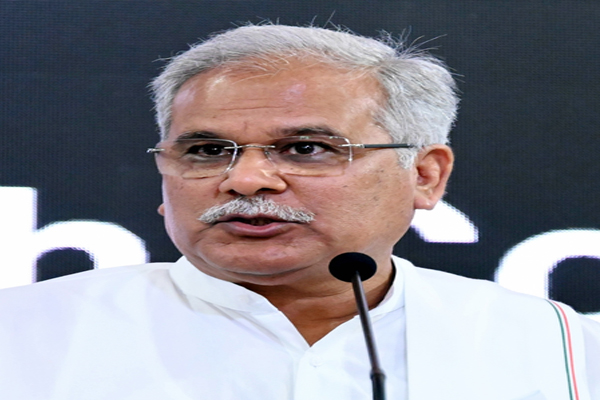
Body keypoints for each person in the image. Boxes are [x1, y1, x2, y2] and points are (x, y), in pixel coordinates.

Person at [1, 24, 599, 400]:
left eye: (305, 149)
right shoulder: (22, 334)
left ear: (424, 175)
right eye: (207, 151)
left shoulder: (558, 345)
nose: (245, 179)